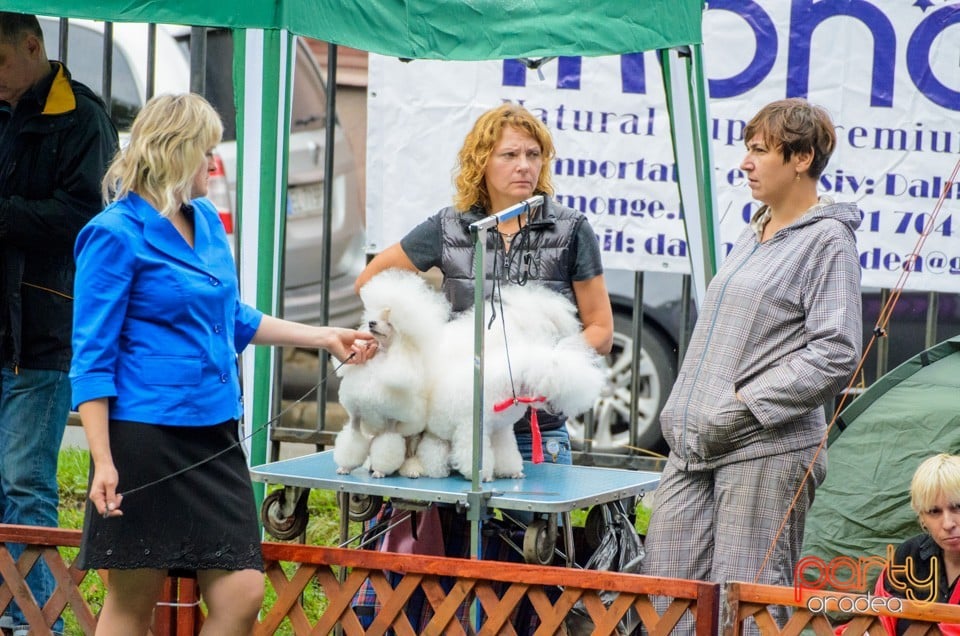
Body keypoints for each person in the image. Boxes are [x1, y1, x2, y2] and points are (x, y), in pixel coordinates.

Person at [68, 93, 374, 636]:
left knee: (241, 590)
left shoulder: (206, 219)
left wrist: (325, 336)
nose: (214, 164)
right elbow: (92, 358)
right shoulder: (113, 235)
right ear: (173, 154)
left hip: (213, 433)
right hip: (144, 437)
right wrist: (104, 461)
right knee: (134, 597)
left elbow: (231, 316)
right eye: (205, 153)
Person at [352, 102, 614, 629]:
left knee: (525, 582)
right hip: (453, 429)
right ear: (481, 162)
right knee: (447, 570)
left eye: (534, 154)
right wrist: (417, 334)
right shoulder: (450, 228)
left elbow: (601, 330)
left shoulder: (571, 229)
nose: (524, 165)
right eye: (510, 154)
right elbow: (372, 282)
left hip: (536, 431)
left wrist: (551, 370)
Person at [641, 98, 862, 634]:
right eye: (748, 150)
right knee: (666, 597)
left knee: (745, 609)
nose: (746, 162)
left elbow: (835, 350)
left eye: (760, 151)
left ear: (802, 158)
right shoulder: (753, 230)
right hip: (695, 447)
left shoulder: (829, 241)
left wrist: (741, 408)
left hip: (765, 448)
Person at [0, 12, 118, 635]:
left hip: (41, 330)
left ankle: (36, 622)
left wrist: (5, 214)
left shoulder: (83, 118)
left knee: (24, 485)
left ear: (32, 45)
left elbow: (87, 220)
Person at [868, 453, 960, 635]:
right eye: (934, 511)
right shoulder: (909, 555)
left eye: (957, 507)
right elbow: (879, 620)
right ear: (922, 518)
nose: (948, 523)